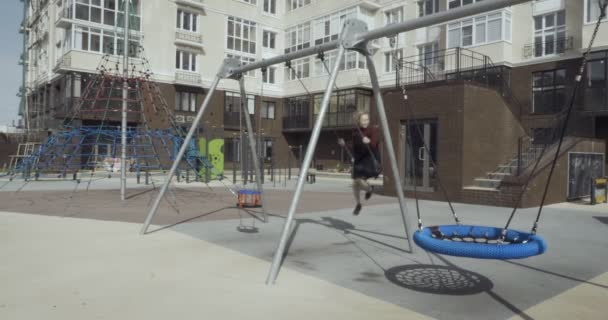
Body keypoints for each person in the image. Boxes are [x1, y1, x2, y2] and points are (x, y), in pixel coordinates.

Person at [338, 112, 381, 216]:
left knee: (359, 180)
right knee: (355, 184)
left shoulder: (372, 130)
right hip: (359, 159)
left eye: (367, 119)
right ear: (359, 121)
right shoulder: (355, 132)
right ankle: (358, 204)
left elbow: (375, 144)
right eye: (363, 120)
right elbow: (353, 145)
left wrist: (369, 142)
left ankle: (370, 188)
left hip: (369, 159)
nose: (366, 122)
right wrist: (344, 145)